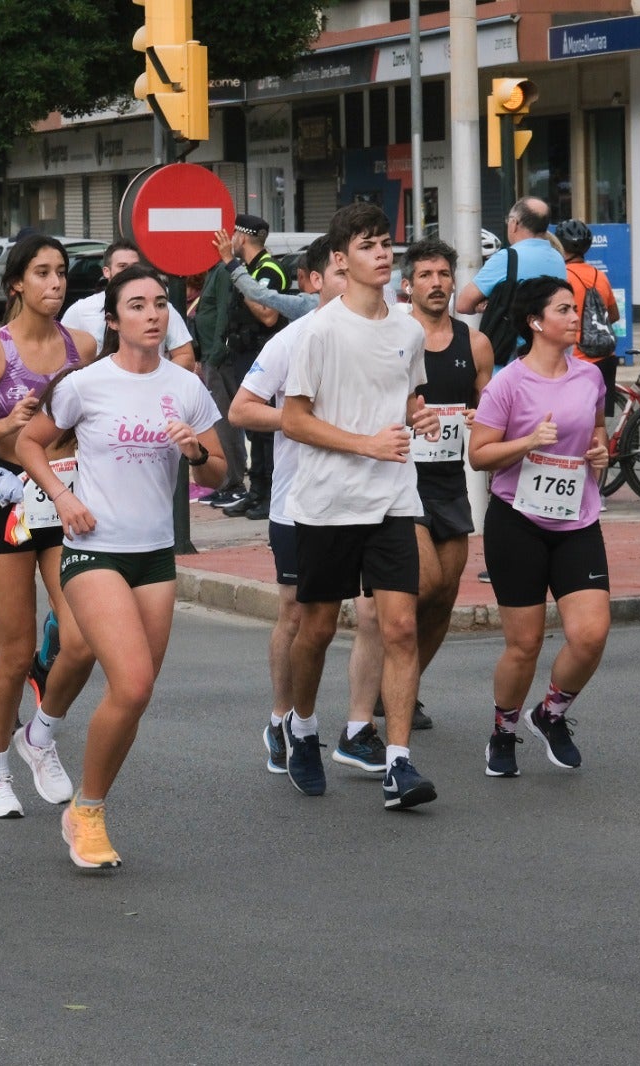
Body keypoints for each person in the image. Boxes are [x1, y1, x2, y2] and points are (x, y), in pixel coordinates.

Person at [17, 264, 225, 869]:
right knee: (130, 681)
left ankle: (86, 801)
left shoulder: (185, 386)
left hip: (155, 555)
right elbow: (30, 441)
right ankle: (87, 814)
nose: (153, 314)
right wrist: (62, 495)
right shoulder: (87, 383)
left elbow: (220, 473)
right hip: (94, 550)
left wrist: (196, 453)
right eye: (137, 305)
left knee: (136, 695)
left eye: (160, 304)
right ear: (113, 320)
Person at [279, 201, 441, 811]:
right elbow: (294, 419)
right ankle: (300, 727)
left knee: (400, 626)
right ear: (341, 261)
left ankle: (399, 763)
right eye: (369, 244)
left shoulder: (406, 328)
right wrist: (366, 443)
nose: (383, 253)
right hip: (327, 503)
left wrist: (414, 417)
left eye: (386, 242)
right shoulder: (319, 330)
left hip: (394, 499)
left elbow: (406, 397)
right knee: (316, 629)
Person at [231, 236, 388, 781]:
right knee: (298, 614)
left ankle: (359, 727)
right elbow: (241, 410)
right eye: (338, 275)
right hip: (301, 500)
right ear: (315, 281)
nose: (350, 284)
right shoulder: (292, 340)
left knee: (373, 614)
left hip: (368, 498)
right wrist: (303, 422)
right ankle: (284, 718)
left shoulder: (381, 334)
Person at [0, 233, 97, 818]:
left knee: (83, 637)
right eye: (42, 272)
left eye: (60, 272)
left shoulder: (83, 347)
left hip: (67, 495)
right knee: (14, 653)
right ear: (17, 283)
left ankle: (39, 736)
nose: (55, 283)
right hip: (10, 496)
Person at [467, 276, 610, 778]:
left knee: (591, 635)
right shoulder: (509, 382)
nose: (575, 317)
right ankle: (502, 731)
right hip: (517, 522)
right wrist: (527, 442)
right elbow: (479, 454)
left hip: (577, 519)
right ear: (535, 322)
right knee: (524, 645)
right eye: (564, 309)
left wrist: (600, 454)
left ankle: (551, 713)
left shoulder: (590, 377)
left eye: (576, 309)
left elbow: (596, 436)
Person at [403, 239, 494, 722]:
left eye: (442, 274)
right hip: (400, 480)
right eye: (425, 275)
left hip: (448, 481)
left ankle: (403, 687)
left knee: (444, 595)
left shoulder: (474, 343)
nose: (436, 283)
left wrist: (484, 419)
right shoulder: (393, 336)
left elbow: (491, 410)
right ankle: (391, 678)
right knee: (424, 581)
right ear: (407, 284)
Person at [215, 214, 287, 517]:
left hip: (264, 357)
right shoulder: (250, 269)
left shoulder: (269, 269)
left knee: (266, 431)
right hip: (245, 355)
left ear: (241, 238)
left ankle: (270, 495)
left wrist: (237, 272)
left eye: (233, 233)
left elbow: (268, 315)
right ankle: (256, 493)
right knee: (254, 432)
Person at [456, 196, 567, 364]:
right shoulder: (558, 258)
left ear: (514, 223)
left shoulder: (507, 258)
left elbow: (463, 304)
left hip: (511, 360)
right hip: (549, 356)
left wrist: (484, 305)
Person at [60, 238, 196, 368]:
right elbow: (61, 356)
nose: (130, 273)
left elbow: (185, 356)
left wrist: (154, 381)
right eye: (122, 267)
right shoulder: (81, 310)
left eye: (134, 267)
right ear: (106, 272)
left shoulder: (160, 307)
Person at [554, 219, 621, 399]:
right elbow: (613, 315)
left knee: (575, 418)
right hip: (606, 357)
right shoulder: (599, 275)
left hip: (578, 358)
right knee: (599, 421)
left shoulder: (561, 276)